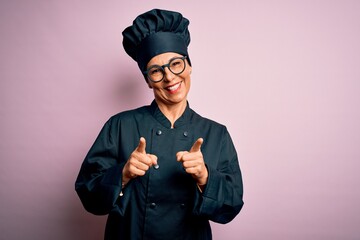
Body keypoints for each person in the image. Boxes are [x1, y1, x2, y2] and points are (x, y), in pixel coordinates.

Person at [75, 8, 244, 240]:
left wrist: (205, 176)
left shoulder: (216, 134)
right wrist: (122, 174)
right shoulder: (120, 126)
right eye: (156, 71)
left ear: (189, 66)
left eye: (176, 64)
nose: (169, 77)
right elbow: (88, 195)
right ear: (147, 81)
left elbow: (232, 206)